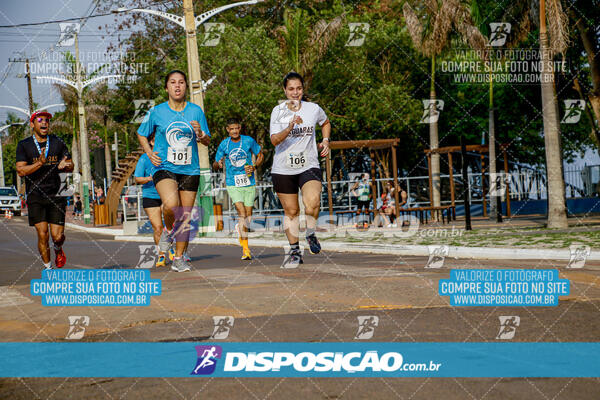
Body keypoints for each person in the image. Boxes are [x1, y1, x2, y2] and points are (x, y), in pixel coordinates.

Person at [137, 70, 210, 272]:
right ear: (167, 88)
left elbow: (207, 140)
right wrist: (150, 153)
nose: (177, 86)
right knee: (171, 206)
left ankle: (178, 258)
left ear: (186, 86)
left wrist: (201, 133)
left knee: (185, 215)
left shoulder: (196, 111)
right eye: (172, 82)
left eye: (181, 82)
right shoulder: (156, 112)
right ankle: (169, 231)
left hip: (190, 169)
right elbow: (141, 134)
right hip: (164, 167)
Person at [269, 72, 331, 266]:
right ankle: (295, 251)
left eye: (299, 88)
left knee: (312, 202)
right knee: (292, 211)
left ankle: (311, 234)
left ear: (303, 90)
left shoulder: (313, 109)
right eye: (291, 89)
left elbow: (325, 122)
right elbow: (274, 140)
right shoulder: (278, 111)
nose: (295, 93)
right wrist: (289, 127)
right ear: (285, 91)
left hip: (309, 163)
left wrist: (326, 140)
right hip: (283, 168)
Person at [16, 110, 74, 269]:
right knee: (43, 235)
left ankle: (58, 247)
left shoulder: (58, 142)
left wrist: (66, 165)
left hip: (58, 192)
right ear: (32, 123)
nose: (44, 123)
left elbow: (71, 165)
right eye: (40, 119)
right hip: (35, 195)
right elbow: (21, 171)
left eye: (47, 120)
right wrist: (39, 163)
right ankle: (48, 269)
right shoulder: (24, 145)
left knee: (57, 236)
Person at [213, 118, 263, 260]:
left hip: (249, 181)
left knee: (247, 216)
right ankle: (246, 250)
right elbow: (215, 164)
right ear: (228, 130)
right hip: (232, 182)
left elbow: (260, 154)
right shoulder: (224, 144)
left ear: (239, 128)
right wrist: (219, 163)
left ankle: (240, 229)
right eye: (231, 129)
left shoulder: (248, 141)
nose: (234, 131)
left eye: (236, 128)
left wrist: (254, 166)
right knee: (241, 213)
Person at [134, 134, 170, 267]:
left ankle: (170, 247)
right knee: (158, 227)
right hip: (151, 196)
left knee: (170, 225)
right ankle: (161, 255)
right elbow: (137, 178)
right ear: (150, 142)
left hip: (166, 195)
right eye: (156, 140)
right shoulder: (144, 159)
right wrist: (150, 178)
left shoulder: (169, 156)